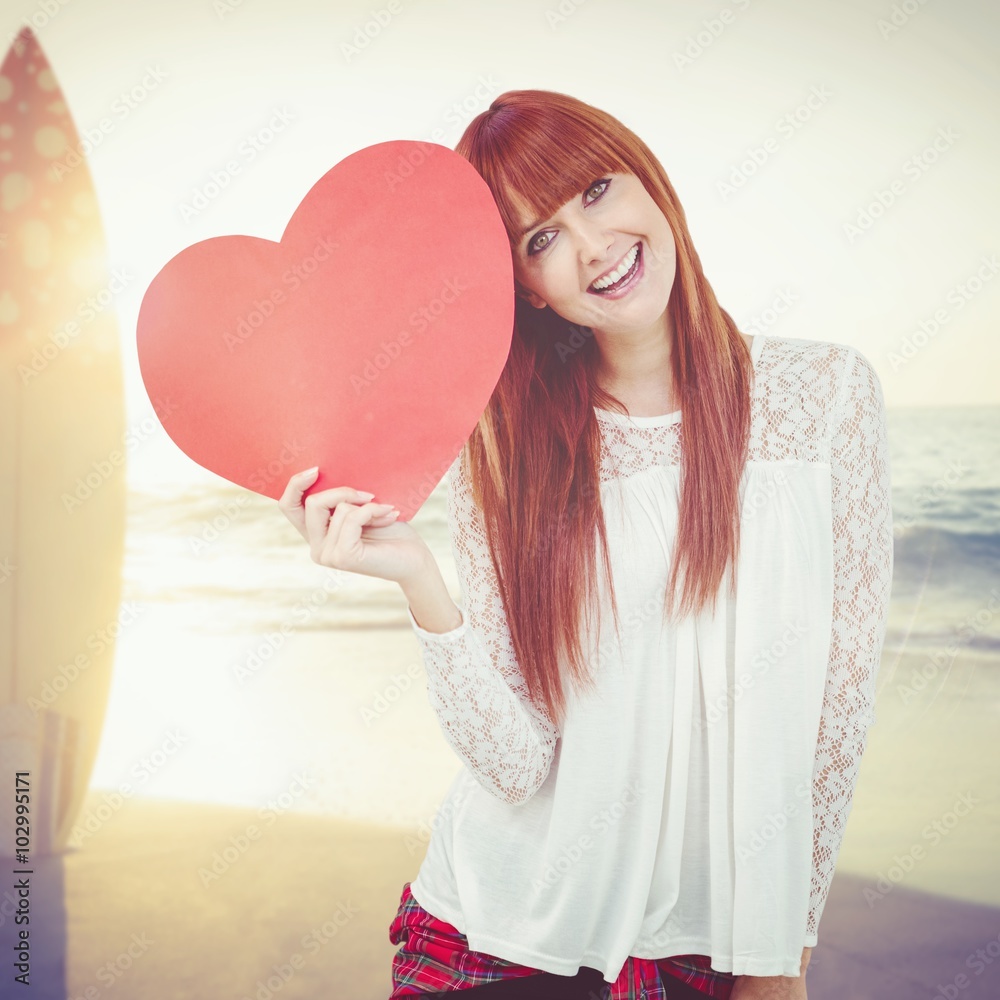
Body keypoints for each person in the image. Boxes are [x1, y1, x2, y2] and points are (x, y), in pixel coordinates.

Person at [277, 90, 893, 1000]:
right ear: (524, 284)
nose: (593, 245)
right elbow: (518, 762)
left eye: (597, 191)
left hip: (710, 944)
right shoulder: (510, 451)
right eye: (541, 238)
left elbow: (836, 704)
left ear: (648, 178)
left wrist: (783, 951)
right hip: (502, 933)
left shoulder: (829, 395)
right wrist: (419, 582)